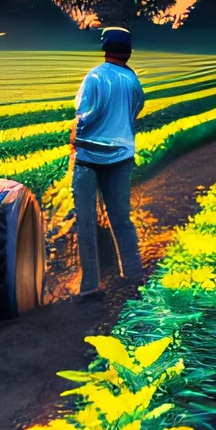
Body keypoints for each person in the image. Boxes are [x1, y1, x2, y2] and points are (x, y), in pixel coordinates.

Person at [70, 26, 145, 303]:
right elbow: (136, 109)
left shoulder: (95, 76)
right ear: (128, 51)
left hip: (89, 157)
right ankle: (134, 276)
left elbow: (83, 113)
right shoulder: (132, 80)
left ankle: (90, 285)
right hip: (122, 156)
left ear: (104, 48)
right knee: (121, 219)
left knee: (86, 222)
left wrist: (79, 130)